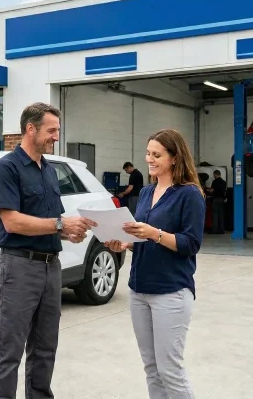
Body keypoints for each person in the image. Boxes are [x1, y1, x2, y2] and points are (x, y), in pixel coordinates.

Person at [0, 102, 97, 399]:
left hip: (51, 268)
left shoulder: (48, 170)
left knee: (46, 347)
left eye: (57, 130)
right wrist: (60, 223)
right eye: (51, 131)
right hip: (19, 268)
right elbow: (11, 222)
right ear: (30, 129)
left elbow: (50, 223)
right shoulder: (6, 169)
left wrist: (69, 232)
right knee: (9, 351)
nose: (56, 137)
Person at [103, 128, 205, 399]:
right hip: (139, 289)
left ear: (174, 157)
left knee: (170, 370)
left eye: (157, 155)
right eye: (148, 153)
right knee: (151, 368)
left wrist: (154, 234)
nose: (150, 159)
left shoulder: (189, 194)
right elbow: (140, 237)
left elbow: (191, 244)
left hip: (170, 292)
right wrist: (124, 243)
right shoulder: (147, 192)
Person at [209, 170, 227, 234]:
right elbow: (225, 191)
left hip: (215, 199)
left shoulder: (214, 182)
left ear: (216, 174)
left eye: (214, 175)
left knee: (215, 215)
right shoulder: (224, 182)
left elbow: (211, 191)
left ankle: (215, 230)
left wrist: (207, 189)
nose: (213, 176)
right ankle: (221, 230)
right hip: (222, 200)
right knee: (221, 215)